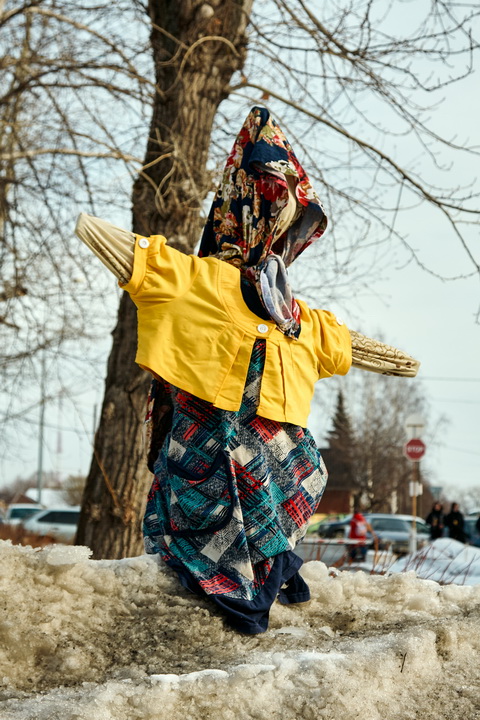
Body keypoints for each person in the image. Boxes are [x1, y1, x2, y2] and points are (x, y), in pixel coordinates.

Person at [75, 107, 419, 634]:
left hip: (272, 451)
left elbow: (345, 344)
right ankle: (225, 577)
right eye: (271, 204)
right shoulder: (201, 282)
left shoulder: (298, 316)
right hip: (207, 441)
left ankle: (265, 565)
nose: (281, 224)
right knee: (220, 471)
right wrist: (101, 235)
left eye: (291, 212)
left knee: (299, 466)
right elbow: (146, 265)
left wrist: (395, 361)